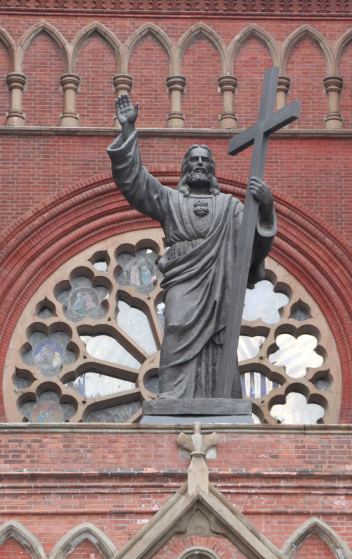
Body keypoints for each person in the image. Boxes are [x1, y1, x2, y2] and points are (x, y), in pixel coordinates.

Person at [107, 94, 277, 399]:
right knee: (175, 328)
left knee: (220, 339)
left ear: (212, 168)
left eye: (205, 160)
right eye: (194, 159)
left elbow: (251, 245)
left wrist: (265, 207)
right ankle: (174, 395)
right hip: (184, 279)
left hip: (219, 281)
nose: (199, 163)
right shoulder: (170, 200)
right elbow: (135, 184)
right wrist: (128, 130)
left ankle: (220, 397)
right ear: (186, 167)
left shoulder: (230, 206)